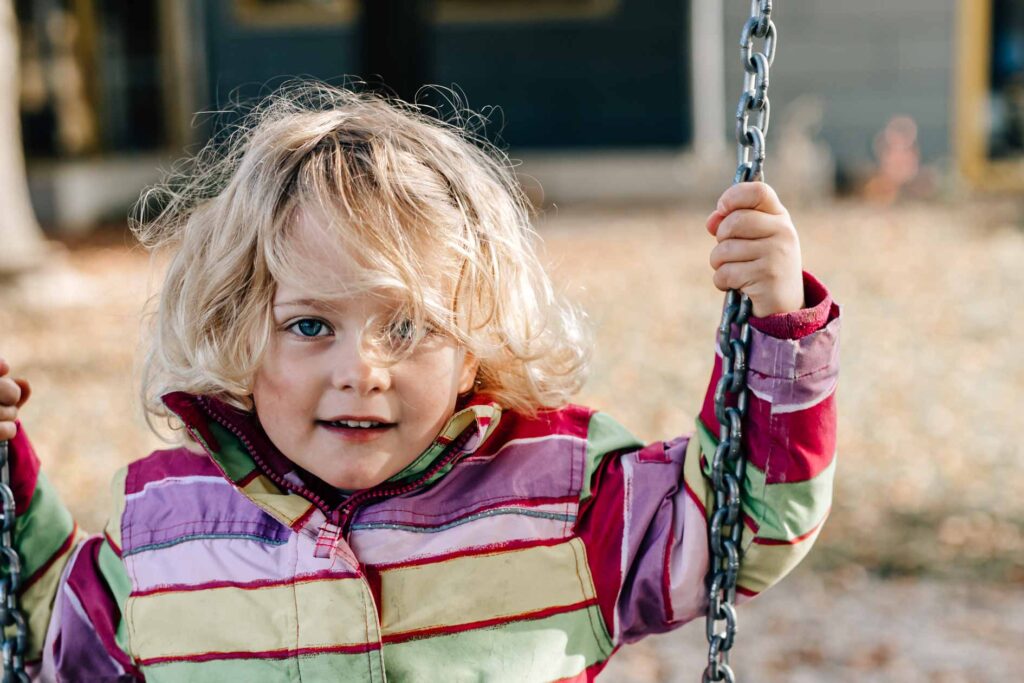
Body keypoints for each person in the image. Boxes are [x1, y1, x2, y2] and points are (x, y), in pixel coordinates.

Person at [0, 83, 840, 681]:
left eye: (408, 326)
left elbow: (743, 524)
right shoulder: (164, 529)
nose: (360, 370)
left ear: (474, 343)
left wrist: (773, 323)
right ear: (239, 327)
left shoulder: (561, 497)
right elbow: (44, 637)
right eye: (309, 325)